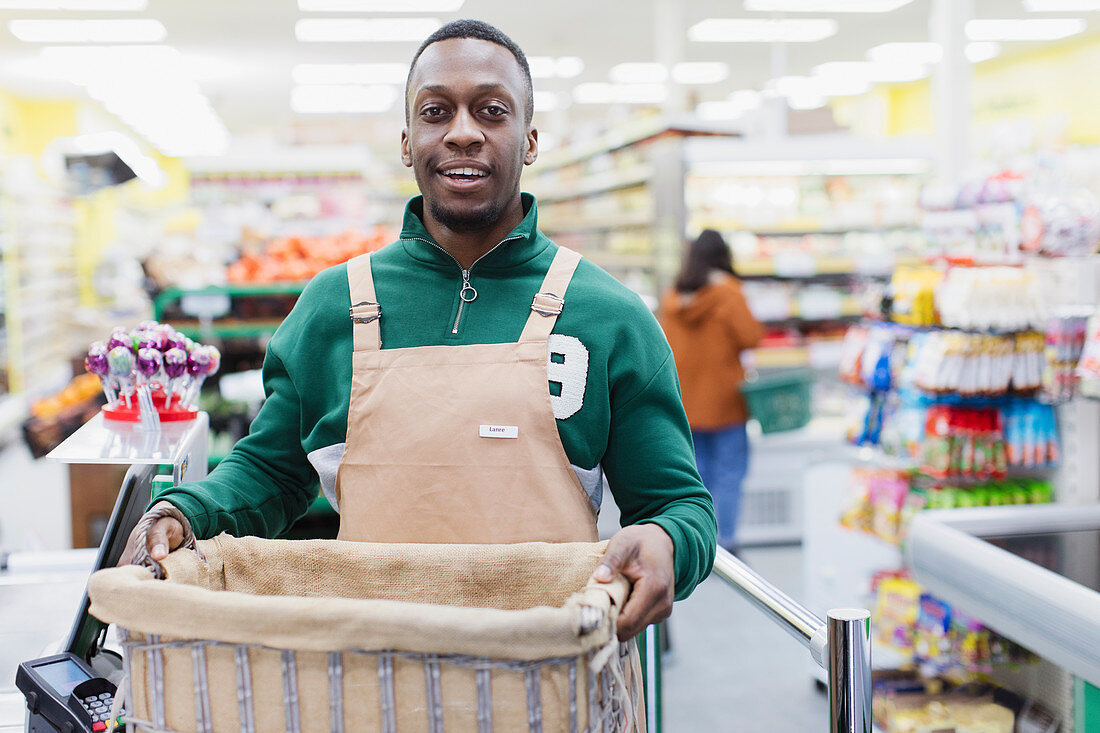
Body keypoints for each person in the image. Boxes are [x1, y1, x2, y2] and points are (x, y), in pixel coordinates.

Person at [122, 19, 716, 641]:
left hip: (551, 673)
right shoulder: (333, 307)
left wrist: (667, 541)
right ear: (408, 143)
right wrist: (188, 512)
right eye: (437, 111)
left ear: (530, 139)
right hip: (371, 670)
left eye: (492, 110)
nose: (463, 132)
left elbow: (680, 506)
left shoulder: (609, 316)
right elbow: (273, 471)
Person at [659, 230, 762, 553]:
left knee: (695, 475)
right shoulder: (729, 293)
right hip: (725, 401)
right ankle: (726, 542)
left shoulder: (673, 297)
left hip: (685, 401)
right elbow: (751, 337)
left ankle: (699, 543)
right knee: (729, 472)